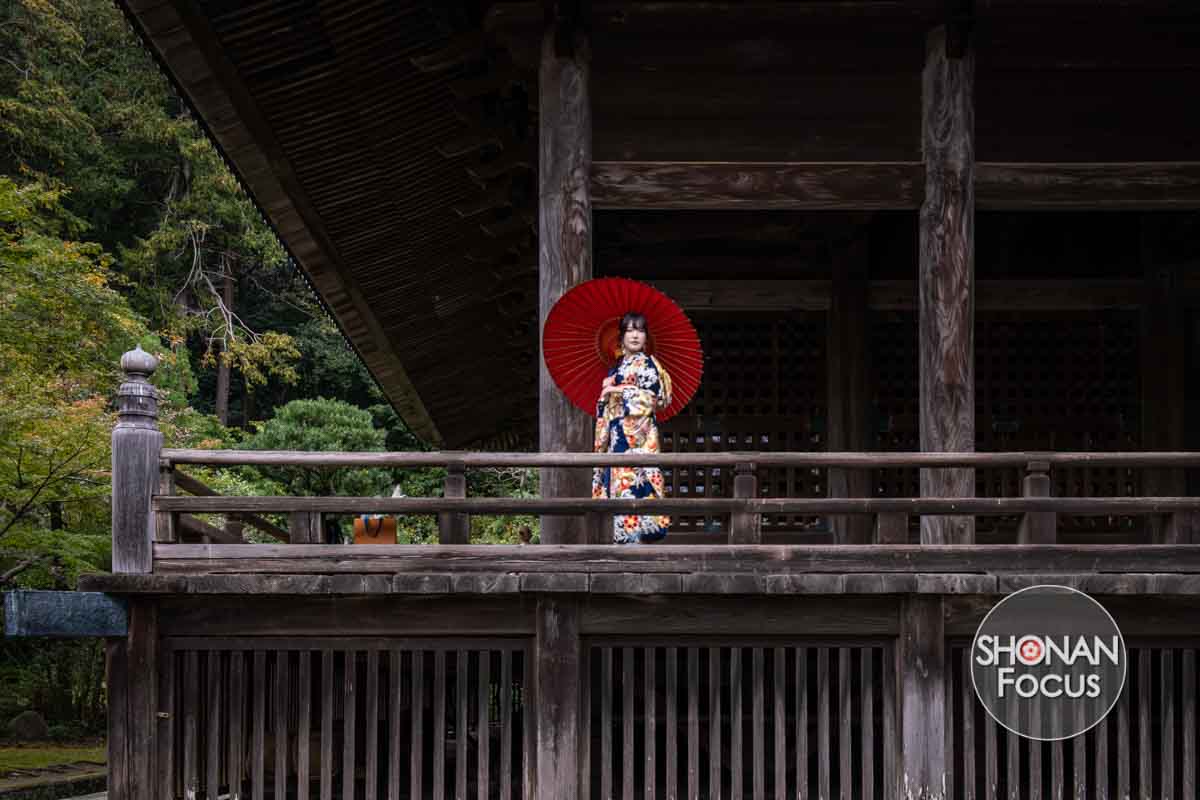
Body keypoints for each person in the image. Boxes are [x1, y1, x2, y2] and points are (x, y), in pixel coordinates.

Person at [592, 311, 673, 543]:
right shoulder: (617, 368)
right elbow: (605, 408)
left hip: (638, 438)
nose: (635, 335)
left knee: (637, 487)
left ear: (646, 337)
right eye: (629, 330)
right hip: (616, 438)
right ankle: (621, 542)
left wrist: (616, 390)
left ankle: (638, 543)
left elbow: (653, 400)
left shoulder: (648, 364)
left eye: (640, 330)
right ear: (622, 337)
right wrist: (605, 393)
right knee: (616, 490)